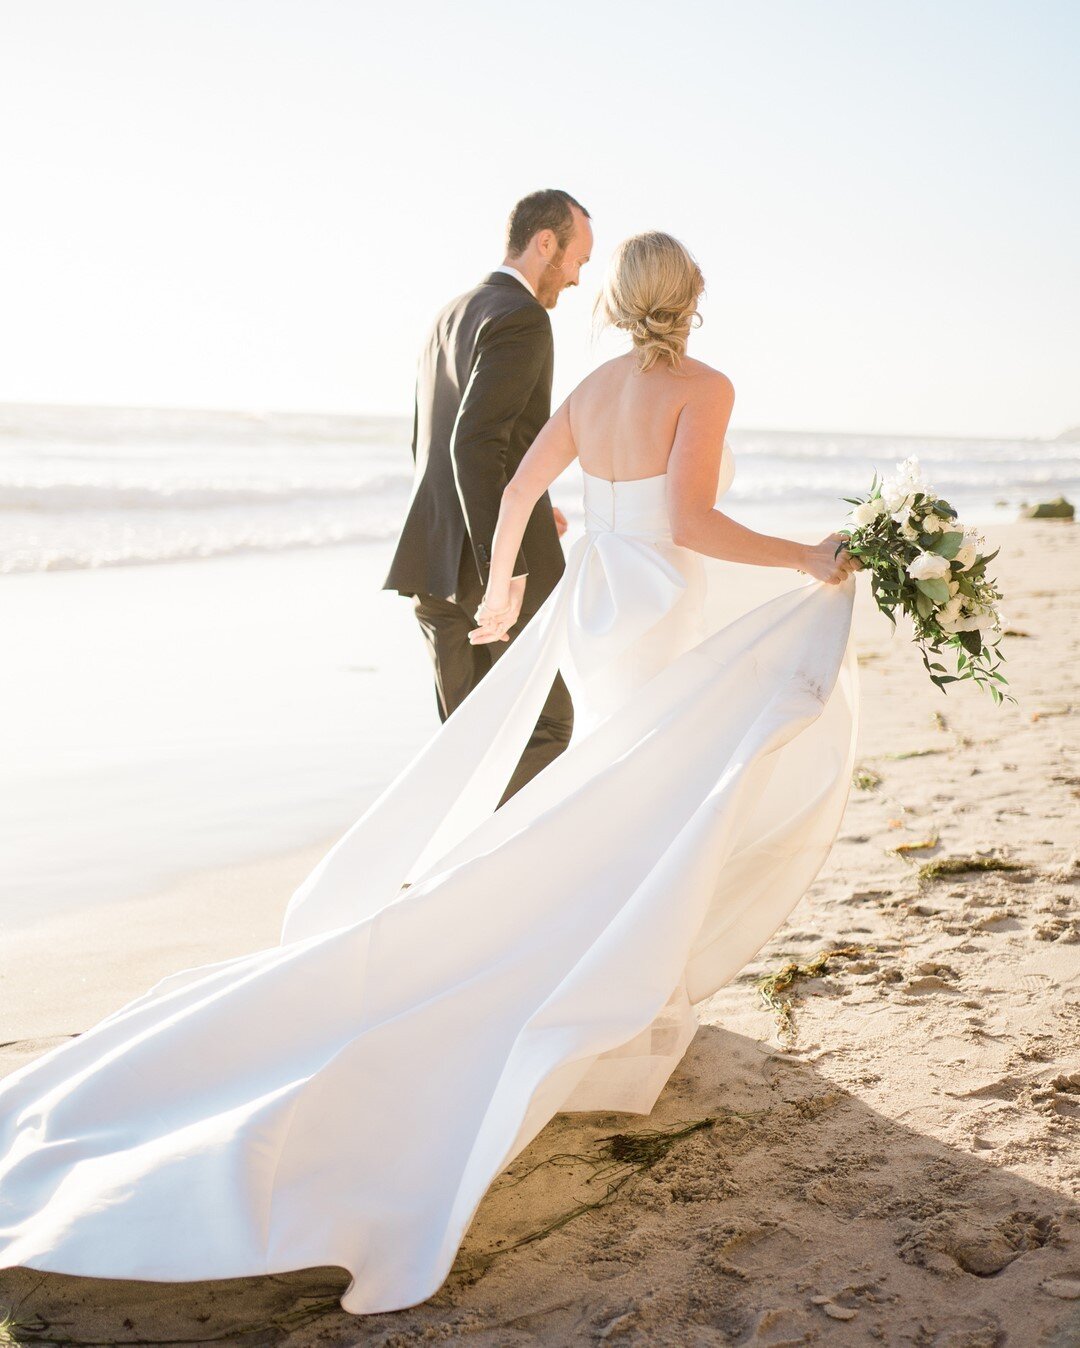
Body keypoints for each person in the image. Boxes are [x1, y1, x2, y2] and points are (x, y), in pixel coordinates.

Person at [0, 232, 860, 1319]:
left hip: (593, 611)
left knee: (608, 791)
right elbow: (689, 520)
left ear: (615, 300)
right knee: (638, 800)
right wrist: (806, 558)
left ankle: (616, 994)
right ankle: (609, 1000)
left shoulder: (593, 387)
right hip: (651, 602)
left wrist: (504, 594)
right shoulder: (706, 385)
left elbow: (512, 494)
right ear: (691, 300)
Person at [383, 188, 593, 803]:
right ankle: (481, 874)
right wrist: (507, 569)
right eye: (578, 259)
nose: (579, 279)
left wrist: (534, 503)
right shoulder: (523, 318)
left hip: (430, 562)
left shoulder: (450, 314)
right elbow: (471, 447)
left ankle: (453, 877)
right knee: (545, 729)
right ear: (544, 242)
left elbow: (429, 440)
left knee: (468, 747)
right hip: (490, 577)